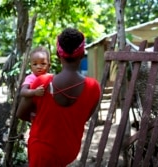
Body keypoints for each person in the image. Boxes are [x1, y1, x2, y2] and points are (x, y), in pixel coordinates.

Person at [16, 27, 101, 166]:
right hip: (69, 151)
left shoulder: (41, 82)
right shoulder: (94, 88)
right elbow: (82, 118)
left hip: (41, 152)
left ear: (57, 54)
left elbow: (21, 113)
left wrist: (44, 120)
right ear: (82, 54)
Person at [20, 46, 51, 122]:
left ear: (49, 66)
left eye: (43, 63)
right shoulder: (31, 78)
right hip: (35, 111)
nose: (39, 67)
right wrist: (34, 92)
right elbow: (23, 91)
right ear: (31, 67)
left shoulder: (50, 78)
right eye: (35, 64)